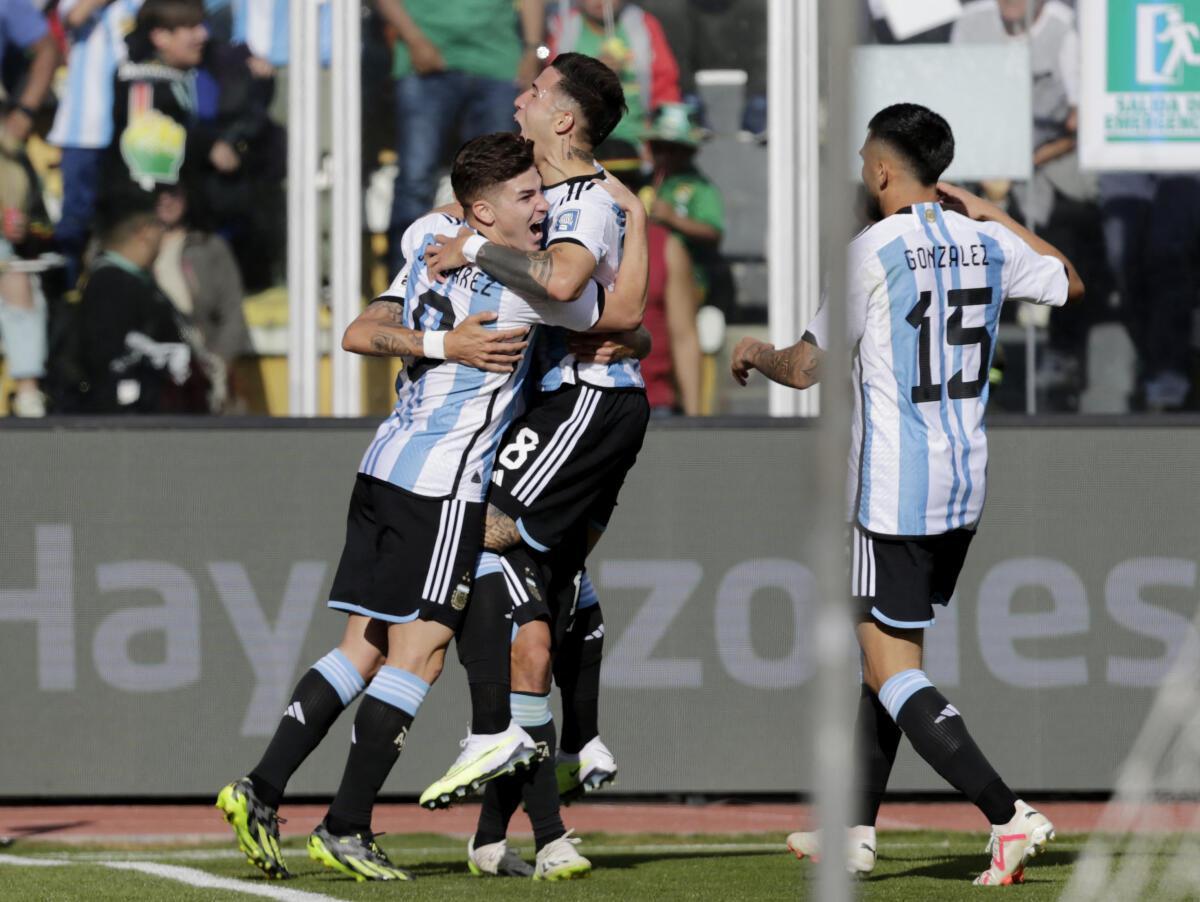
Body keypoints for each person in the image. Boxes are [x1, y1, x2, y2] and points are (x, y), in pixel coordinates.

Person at [215, 130, 647, 882]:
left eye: (541, 192)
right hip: (442, 484)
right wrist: (630, 223)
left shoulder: (425, 237)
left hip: (383, 466)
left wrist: (439, 340)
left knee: (362, 648)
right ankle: (348, 824)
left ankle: (259, 788)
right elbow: (619, 320)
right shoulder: (528, 291)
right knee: (421, 655)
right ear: (482, 211)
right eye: (526, 196)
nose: (543, 208)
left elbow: (361, 332)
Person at [731, 103, 1084, 886]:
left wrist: (754, 349)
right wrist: (985, 208)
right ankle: (855, 831)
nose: (863, 171)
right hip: (963, 485)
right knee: (884, 662)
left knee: (892, 670)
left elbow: (805, 368)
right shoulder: (987, 241)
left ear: (884, 169)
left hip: (892, 490)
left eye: (866, 160)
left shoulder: (870, 250)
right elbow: (1069, 279)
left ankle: (1007, 815)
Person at [422, 50, 648, 881]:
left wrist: (474, 251)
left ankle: (505, 737)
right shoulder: (549, 191)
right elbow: (621, 310)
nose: (520, 98)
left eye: (537, 90)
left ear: (564, 118)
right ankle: (516, 825)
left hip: (580, 404)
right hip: (565, 405)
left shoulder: (591, 200)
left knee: (476, 536)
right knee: (543, 607)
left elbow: (571, 284)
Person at [374, 0, 546, 272]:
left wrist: (532, 49)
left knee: (500, 181)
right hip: (425, 60)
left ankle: (498, 276)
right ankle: (404, 280)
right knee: (415, 179)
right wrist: (414, 38)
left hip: (499, 63)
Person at [75, 188, 210, 413]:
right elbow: (112, 365)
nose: (163, 236)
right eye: (160, 227)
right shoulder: (111, 286)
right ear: (145, 232)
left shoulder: (137, 282)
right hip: (138, 423)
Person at [48, 0, 143, 285]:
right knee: (75, 221)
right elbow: (74, 16)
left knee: (123, 219)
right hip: (84, 129)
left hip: (133, 129)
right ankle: (66, 290)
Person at [547, 0, 681, 153]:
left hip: (638, 140)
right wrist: (593, 72)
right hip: (581, 142)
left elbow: (666, 85)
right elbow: (552, 88)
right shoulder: (563, 29)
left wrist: (658, 140)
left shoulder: (643, 26)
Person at [644, 102, 723, 304]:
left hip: (689, 280)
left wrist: (673, 219)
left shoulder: (700, 187)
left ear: (688, 151)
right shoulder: (644, 182)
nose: (663, 155)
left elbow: (713, 233)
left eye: (671, 149)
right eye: (657, 147)